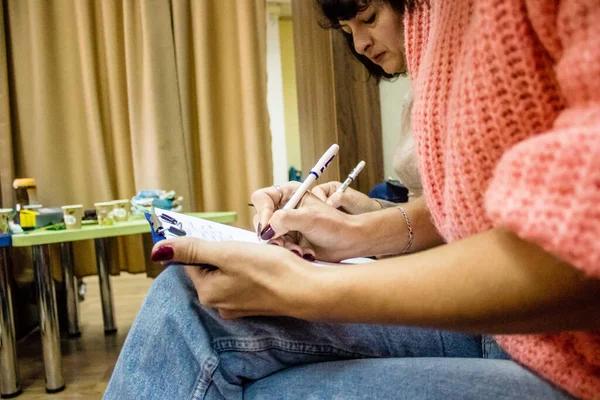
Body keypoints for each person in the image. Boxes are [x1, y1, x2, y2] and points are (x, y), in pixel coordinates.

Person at [104, 1, 600, 399]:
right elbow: (484, 207)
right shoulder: (434, 21)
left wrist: (302, 287)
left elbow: (577, 244)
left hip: (572, 354)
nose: (360, 41)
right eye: (349, 28)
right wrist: (358, 234)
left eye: (368, 19)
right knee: (186, 299)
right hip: (511, 332)